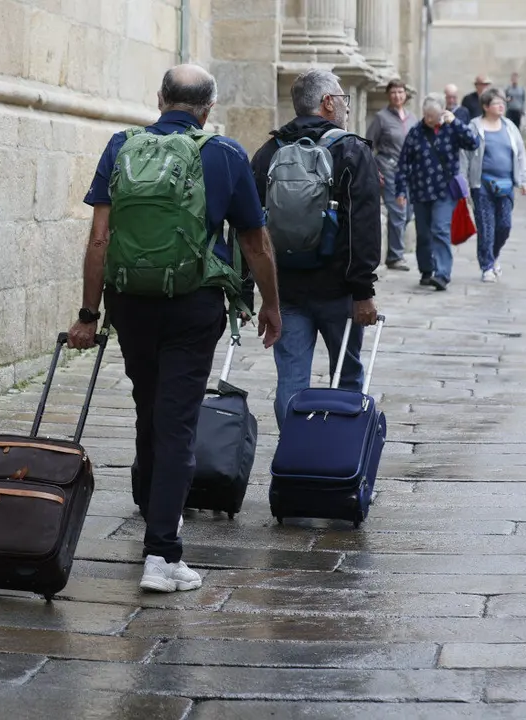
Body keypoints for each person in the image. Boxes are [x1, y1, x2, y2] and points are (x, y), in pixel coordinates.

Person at [69, 64, 281, 594]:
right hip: (193, 303)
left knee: (150, 405)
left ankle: (154, 508)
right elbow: (255, 244)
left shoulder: (122, 145)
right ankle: (162, 554)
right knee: (178, 419)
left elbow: (99, 239)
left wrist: (88, 313)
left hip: (130, 301)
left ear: (160, 98)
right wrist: (272, 305)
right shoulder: (225, 153)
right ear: (207, 108)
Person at [252, 69, 382, 428]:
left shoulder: (267, 153)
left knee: (291, 379)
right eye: (343, 99)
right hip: (339, 290)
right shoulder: (352, 150)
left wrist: (257, 289)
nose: (346, 107)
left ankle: (295, 448)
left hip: (285, 289)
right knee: (347, 375)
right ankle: (339, 451)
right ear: (328, 103)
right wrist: (363, 291)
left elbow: (251, 228)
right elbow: (364, 228)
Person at [394, 93, 480, 291]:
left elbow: (473, 143)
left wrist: (456, 122)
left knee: (440, 230)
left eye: (432, 115)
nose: (428, 119)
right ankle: (426, 270)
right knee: (423, 234)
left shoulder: (452, 129)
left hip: (444, 191)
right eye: (425, 114)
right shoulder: (416, 132)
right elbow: (404, 163)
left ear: (442, 113)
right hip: (420, 190)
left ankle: (442, 275)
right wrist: (401, 190)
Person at [466, 88, 526, 283]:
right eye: (496, 103)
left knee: (504, 225)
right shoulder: (475, 127)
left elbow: (520, 154)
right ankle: (487, 266)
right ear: (485, 106)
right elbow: (466, 155)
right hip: (482, 184)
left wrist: (524, 179)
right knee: (486, 226)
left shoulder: (510, 126)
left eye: (502, 102)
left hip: (506, 184)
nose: (501, 105)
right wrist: (464, 182)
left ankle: (493, 255)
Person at [365, 79, 417, 271]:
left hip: (409, 172)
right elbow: (368, 145)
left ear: (406, 95)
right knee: (397, 211)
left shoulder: (412, 118)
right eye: (393, 92)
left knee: (409, 211)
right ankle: (395, 256)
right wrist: (375, 170)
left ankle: (396, 251)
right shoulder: (381, 118)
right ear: (389, 95)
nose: (397, 95)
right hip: (389, 168)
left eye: (400, 92)